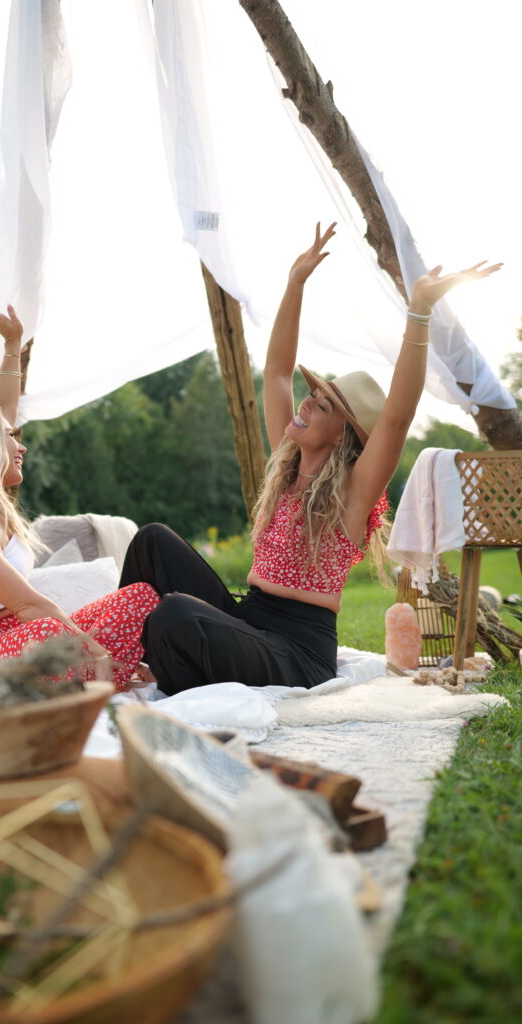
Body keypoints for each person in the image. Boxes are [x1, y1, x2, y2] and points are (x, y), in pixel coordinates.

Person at [120, 223, 502, 695]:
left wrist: (419, 311)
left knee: (174, 615)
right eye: (313, 395)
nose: (305, 402)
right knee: (152, 541)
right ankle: (115, 659)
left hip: (296, 650)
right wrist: (295, 284)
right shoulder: (286, 465)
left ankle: (168, 664)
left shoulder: (353, 493)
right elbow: (278, 373)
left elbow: (398, 417)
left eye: (321, 405)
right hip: (248, 617)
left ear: (344, 437)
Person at [0, 297, 159, 690]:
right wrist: (96, 651)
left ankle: (95, 678)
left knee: (139, 597)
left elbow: (2, 411)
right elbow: (30, 606)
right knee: (46, 629)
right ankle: (105, 676)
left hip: (24, 640)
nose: (20, 446)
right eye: (9, 439)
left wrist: (13, 345)